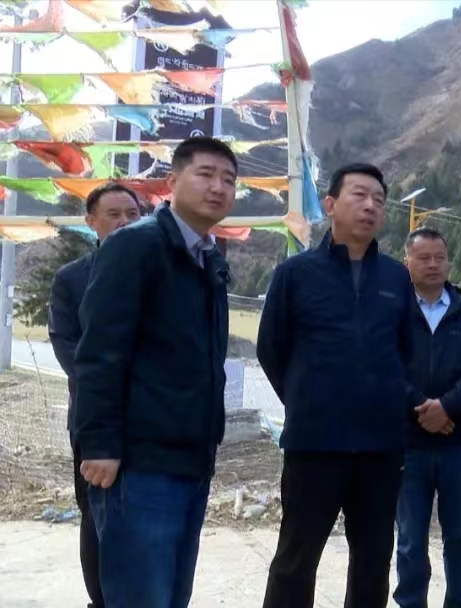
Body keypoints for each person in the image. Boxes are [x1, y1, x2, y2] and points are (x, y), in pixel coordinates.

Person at [73, 137, 237, 608]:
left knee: (170, 596)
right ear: (172, 182)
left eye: (228, 180)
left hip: (190, 458)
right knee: (141, 596)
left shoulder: (208, 258)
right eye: (205, 174)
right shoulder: (136, 246)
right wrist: (99, 444)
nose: (218, 187)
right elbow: (100, 351)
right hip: (138, 463)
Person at [258, 163, 414, 608]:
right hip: (315, 443)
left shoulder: (396, 277)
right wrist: (308, 399)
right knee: (296, 557)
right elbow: (271, 349)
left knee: (373, 559)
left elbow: (406, 351)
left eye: (378, 200)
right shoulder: (295, 274)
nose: (370, 206)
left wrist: (386, 401)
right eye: (359, 195)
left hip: (380, 446)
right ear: (330, 204)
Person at [48, 182, 142, 608]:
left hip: (152, 416)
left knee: (147, 514)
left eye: (132, 214)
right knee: (97, 514)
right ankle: (100, 600)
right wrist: (109, 388)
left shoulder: (158, 272)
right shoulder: (72, 278)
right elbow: (68, 348)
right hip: (94, 417)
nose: (124, 222)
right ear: (91, 221)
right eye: (113, 215)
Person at [394, 227, 461, 608]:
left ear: (448, 262)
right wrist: (422, 409)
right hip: (407, 443)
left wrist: (447, 407)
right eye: (423, 258)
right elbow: (384, 364)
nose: (432, 264)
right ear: (407, 263)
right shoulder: (394, 310)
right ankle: (411, 602)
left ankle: (460, 602)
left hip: (458, 441)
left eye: (439, 257)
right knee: (410, 538)